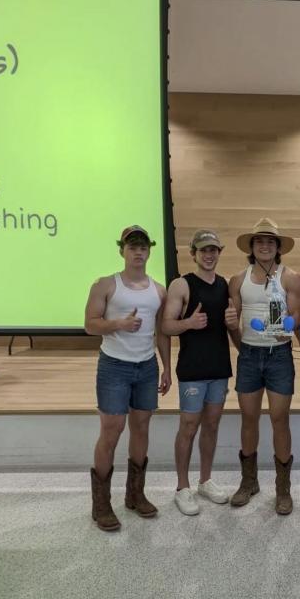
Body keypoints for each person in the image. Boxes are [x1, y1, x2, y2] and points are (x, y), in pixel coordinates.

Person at [84, 225, 171, 531]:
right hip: (114, 367)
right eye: (132, 247)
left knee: (141, 428)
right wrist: (119, 324)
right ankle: (101, 503)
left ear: (149, 251)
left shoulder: (159, 291)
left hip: (146, 367)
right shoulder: (106, 285)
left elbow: (161, 332)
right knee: (112, 430)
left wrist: (166, 367)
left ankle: (135, 494)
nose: (138, 252)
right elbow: (90, 324)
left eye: (143, 247)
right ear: (122, 250)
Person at [228, 217, 300, 515]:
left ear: (278, 247)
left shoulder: (291, 278)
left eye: (270, 241)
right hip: (249, 355)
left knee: (279, 418)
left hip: (279, 356)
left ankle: (283, 489)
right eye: (259, 241)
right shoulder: (238, 279)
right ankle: (249, 482)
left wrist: (288, 328)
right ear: (251, 246)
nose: (264, 245)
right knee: (248, 418)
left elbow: (296, 315)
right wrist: (241, 345)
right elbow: (232, 319)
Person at [162, 229, 239, 515]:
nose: (209, 255)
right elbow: (166, 326)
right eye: (203, 250)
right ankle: (182, 487)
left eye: (213, 250)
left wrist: (233, 325)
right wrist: (188, 323)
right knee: (189, 426)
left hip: (219, 368)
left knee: (212, 425)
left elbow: (231, 329)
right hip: (192, 369)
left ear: (219, 253)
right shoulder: (181, 285)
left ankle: (205, 480)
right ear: (193, 253)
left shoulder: (224, 285)